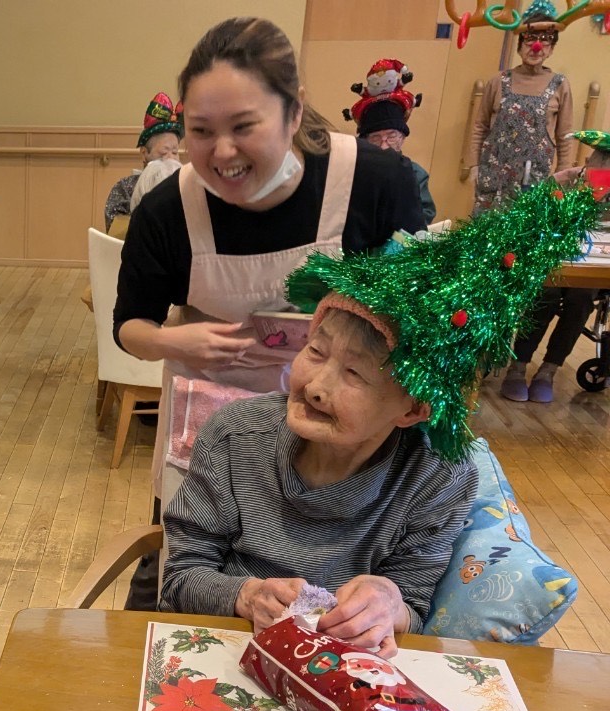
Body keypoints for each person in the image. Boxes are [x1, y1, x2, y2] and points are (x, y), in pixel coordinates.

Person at [160, 180, 600, 655]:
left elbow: (412, 601)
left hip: (344, 677)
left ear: (412, 408)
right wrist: (244, 595)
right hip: (222, 649)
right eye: (315, 350)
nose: (316, 385)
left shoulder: (437, 477)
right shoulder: (235, 437)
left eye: (353, 373)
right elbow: (180, 579)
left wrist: (389, 602)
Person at [112, 16, 424, 610]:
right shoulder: (167, 210)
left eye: (244, 127)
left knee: (323, 589)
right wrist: (178, 344)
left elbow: (423, 323)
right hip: (212, 420)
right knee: (183, 574)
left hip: (344, 432)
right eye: (199, 130)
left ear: (294, 111)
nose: (221, 153)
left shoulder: (373, 183)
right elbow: (129, 326)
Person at [500, 129, 610, 402]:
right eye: (598, 175)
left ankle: (548, 370)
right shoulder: (561, 182)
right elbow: (531, 223)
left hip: (593, 267)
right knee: (546, 294)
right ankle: (518, 366)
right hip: (550, 261)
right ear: (586, 162)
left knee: (581, 298)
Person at [468, 3, 574, 213]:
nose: (536, 47)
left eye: (545, 40)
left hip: (534, 180)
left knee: (525, 236)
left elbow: (565, 136)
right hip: (493, 179)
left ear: (552, 49)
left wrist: (563, 175)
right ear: (519, 45)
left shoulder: (560, 85)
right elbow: (480, 126)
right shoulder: (498, 81)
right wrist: (474, 165)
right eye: (530, 39)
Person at [104, 92, 182, 234]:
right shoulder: (125, 189)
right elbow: (116, 235)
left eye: (175, 152)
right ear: (145, 153)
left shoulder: (186, 185)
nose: (171, 159)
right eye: (164, 153)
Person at [355, 98, 436, 225]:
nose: (384, 146)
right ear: (365, 141)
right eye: (375, 138)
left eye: (391, 137)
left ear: (402, 138)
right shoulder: (355, 171)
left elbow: (426, 213)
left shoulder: (415, 173)